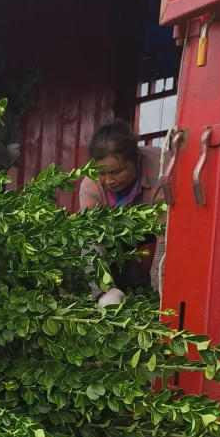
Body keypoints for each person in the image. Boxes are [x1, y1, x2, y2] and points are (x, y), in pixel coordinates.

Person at [79, 119, 167, 306]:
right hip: (114, 234)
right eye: (101, 174)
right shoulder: (91, 186)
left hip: (152, 227)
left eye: (116, 172)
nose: (108, 181)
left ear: (136, 157)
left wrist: (160, 294)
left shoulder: (161, 170)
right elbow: (90, 242)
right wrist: (104, 293)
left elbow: (165, 240)